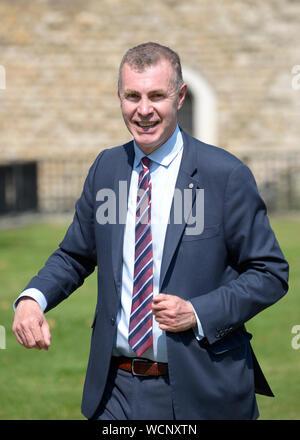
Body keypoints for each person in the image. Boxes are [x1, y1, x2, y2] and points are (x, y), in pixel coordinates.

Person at [12, 42, 289, 420]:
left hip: (202, 390)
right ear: (120, 97)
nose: (144, 110)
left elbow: (270, 273)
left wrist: (198, 311)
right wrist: (33, 299)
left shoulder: (224, 175)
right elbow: (76, 254)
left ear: (180, 96)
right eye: (133, 96)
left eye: (156, 96)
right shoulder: (107, 168)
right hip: (115, 392)